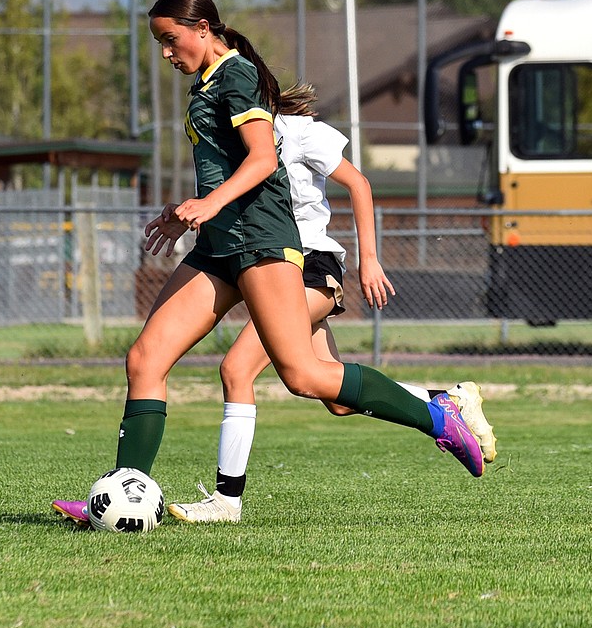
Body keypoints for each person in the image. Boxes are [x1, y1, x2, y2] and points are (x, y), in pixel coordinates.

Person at [53, 0, 487, 525]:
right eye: (159, 43)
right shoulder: (206, 83)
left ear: (202, 29)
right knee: (144, 359)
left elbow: (261, 160)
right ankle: (118, 494)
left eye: (170, 40)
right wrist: (183, 210)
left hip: (261, 241)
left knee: (304, 376)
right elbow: (223, 166)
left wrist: (208, 203)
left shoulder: (236, 76)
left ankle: (435, 415)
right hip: (218, 247)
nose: (166, 52)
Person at [167, 82, 497, 523]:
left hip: (308, 266)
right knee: (335, 396)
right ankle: (446, 397)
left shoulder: (298, 131)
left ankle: (227, 501)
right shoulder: (232, 139)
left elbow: (358, 183)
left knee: (236, 368)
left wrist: (370, 260)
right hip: (272, 269)